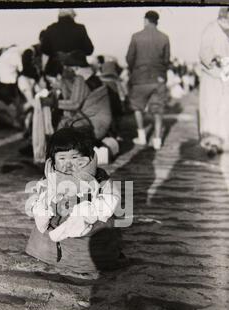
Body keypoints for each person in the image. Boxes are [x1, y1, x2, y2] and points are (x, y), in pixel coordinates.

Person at [25, 127, 122, 275]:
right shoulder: (50, 178)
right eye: (62, 158)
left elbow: (110, 201)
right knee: (43, 213)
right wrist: (41, 206)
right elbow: (37, 195)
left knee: (98, 223)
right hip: (53, 230)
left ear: (88, 158)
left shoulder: (99, 178)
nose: (69, 164)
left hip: (86, 227)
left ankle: (85, 256)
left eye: (75, 158)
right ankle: (50, 248)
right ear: (53, 160)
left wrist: (86, 210)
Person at [126, 10, 170, 150]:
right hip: (158, 79)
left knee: (137, 107)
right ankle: (157, 140)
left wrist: (135, 70)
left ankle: (142, 136)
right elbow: (166, 60)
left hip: (140, 78)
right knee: (158, 110)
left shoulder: (136, 36)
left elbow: (129, 58)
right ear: (157, 21)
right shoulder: (164, 37)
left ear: (145, 20)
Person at [55, 50, 112, 141]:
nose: (66, 70)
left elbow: (74, 104)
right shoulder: (92, 77)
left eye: (67, 67)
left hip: (93, 126)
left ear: (75, 68)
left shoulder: (81, 79)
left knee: (63, 125)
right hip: (103, 124)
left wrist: (53, 102)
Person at [199, 6, 229, 157]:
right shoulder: (211, 28)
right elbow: (204, 50)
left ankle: (225, 141)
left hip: (228, 76)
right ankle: (212, 142)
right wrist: (215, 59)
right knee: (211, 108)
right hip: (213, 75)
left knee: (225, 109)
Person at [41, 8, 94, 77]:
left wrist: (57, 53)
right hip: (78, 70)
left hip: (56, 71)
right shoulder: (80, 28)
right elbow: (89, 50)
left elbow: (44, 49)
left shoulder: (51, 28)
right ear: (72, 16)